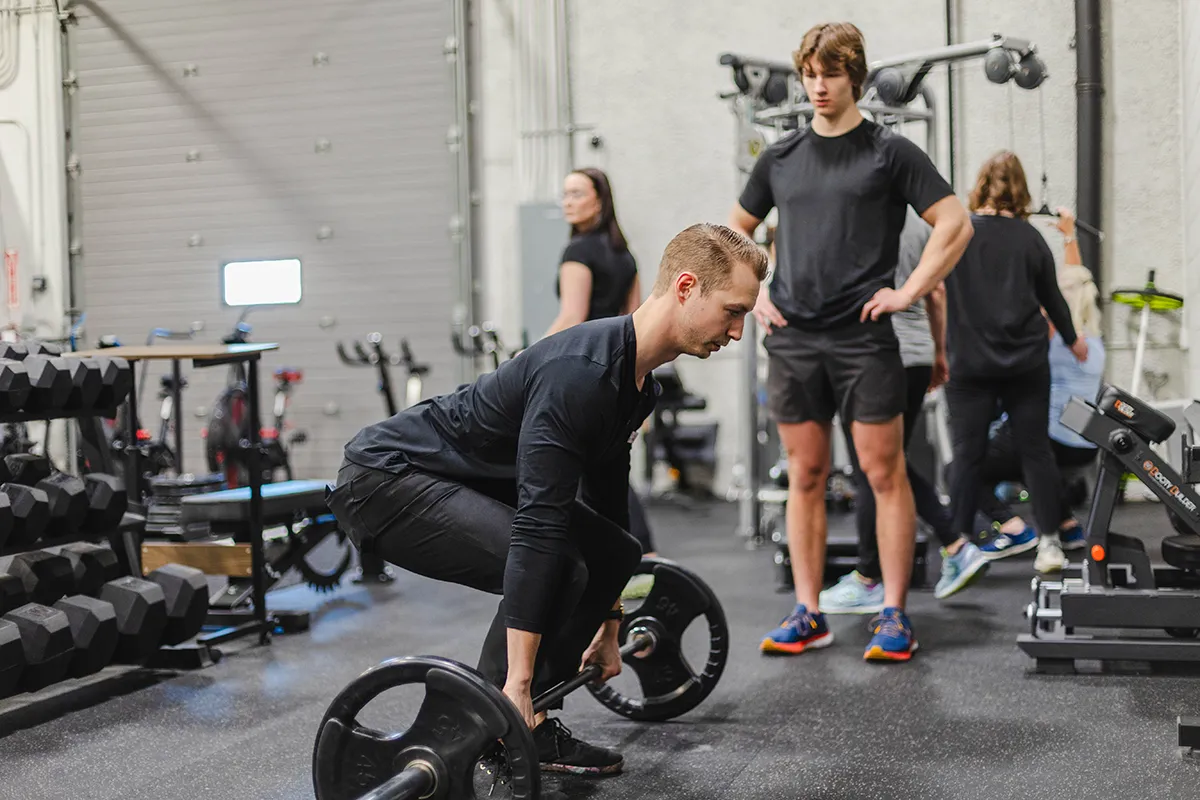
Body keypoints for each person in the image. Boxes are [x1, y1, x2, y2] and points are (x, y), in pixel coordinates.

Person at [326, 223, 767, 777]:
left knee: (615, 551)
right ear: (685, 288)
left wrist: (610, 628)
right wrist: (518, 685)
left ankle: (522, 723)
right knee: (555, 560)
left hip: (458, 478)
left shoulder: (639, 383)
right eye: (732, 311)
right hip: (385, 480)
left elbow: (609, 512)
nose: (737, 330)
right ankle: (500, 721)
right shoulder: (579, 375)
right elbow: (538, 526)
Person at [729, 22, 973, 662]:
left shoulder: (890, 152)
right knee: (806, 475)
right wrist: (753, 292)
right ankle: (808, 611)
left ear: (854, 77)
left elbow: (955, 222)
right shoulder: (779, 157)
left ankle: (894, 613)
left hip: (864, 341)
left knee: (884, 474)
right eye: (809, 73)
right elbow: (735, 229)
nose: (817, 85)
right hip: (793, 340)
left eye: (830, 74)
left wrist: (910, 291)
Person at [820, 210, 988, 614]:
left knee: (871, 467)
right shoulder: (921, 223)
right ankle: (955, 544)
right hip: (915, 353)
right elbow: (936, 292)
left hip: (874, 353)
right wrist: (937, 351)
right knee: (889, 463)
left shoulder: (859, 217)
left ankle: (868, 577)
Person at [941, 152, 1087, 574]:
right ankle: (1050, 544)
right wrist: (1074, 341)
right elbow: (1053, 300)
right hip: (1024, 363)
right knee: (1035, 452)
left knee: (967, 456)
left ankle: (959, 551)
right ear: (1021, 190)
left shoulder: (959, 235)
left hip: (969, 364)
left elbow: (935, 287)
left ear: (980, 185)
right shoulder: (1029, 239)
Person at [544, 168, 659, 597]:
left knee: (582, 466)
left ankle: (627, 556)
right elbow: (638, 324)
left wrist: (526, 359)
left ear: (599, 200)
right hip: (619, 369)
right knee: (607, 466)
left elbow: (571, 318)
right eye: (565, 193)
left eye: (577, 193)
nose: (567, 201)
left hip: (583, 370)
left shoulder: (578, 252)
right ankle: (638, 555)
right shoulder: (624, 255)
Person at [973, 206, 1106, 573]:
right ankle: (1066, 525)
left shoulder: (1048, 332)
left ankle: (1013, 527)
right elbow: (1077, 284)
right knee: (1035, 460)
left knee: (964, 468)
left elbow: (1054, 292)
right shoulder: (1094, 342)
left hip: (1048, 441)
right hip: (1084, 445)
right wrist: (1068, 236)